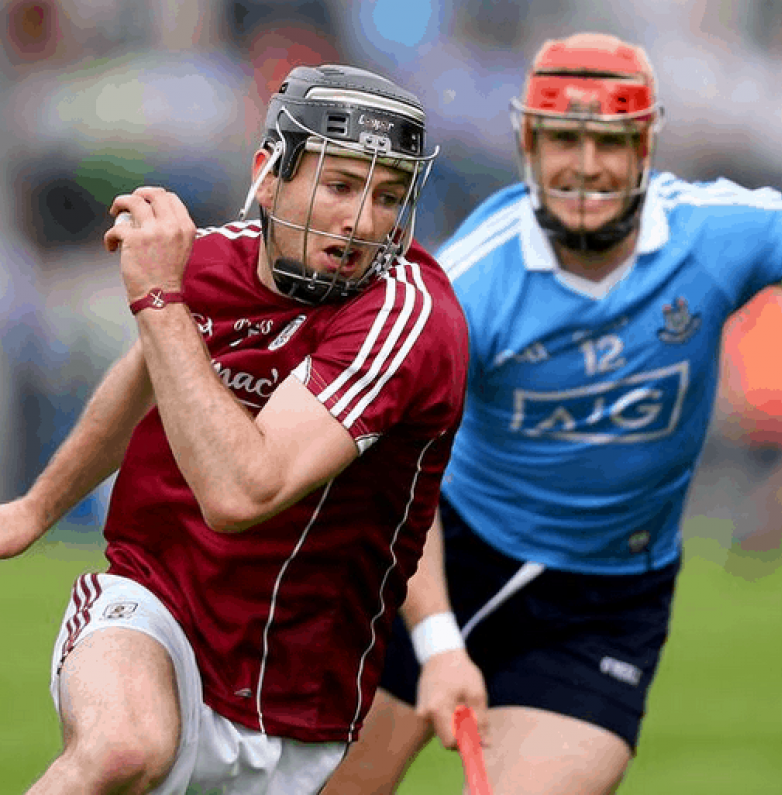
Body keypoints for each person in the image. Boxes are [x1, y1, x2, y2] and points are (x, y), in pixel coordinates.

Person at [324, 32, 782, 795]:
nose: (584, 166)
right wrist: (438, 639)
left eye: (608, 141)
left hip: (605, 600)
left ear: (645, 145)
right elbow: (388, 467)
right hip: (442, 559)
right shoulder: (472, 282)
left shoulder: (718, 233)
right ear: (526, 145)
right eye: (562, 138)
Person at [0, 63, 468, 795]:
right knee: (121, 749)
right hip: (154, 603)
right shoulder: (210, 260)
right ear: (269, 175)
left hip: (296, 701)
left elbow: (244, 492)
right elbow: (142, 374)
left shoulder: (404, 317)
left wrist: (158, 298)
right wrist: (36, 507)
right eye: (341, 185)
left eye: (388, 195)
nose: (363, 220)